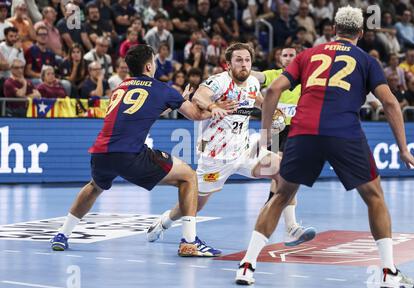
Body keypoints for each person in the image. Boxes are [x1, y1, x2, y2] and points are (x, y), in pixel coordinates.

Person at [235, 6, 414, 288]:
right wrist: (404, 149)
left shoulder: (307, 55)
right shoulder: (366, 60)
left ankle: (247, 266)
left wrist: (265, 137)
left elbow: (272, 90)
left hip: (304, 131)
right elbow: (390, 103)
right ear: (360, 33)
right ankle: (388, 271)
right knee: (375, 197)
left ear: (334, 29)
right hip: (344, 133)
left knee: (281, 195)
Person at [50, 44, 236, 252]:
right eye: (154, 62)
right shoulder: (162, 88)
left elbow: (145, 110)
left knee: (94, 187)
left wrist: (176, 101)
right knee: (189, 177)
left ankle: (62, 234)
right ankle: (189, 242)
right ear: (148, 66)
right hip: (130, 155)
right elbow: (195, 115)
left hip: (101, 153)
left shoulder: (120, 87)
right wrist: (217, 109)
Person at [146, 43, 310, 257]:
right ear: (229, 64)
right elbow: (199, 97)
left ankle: (291, 229)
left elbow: (259, 100)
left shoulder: (251, 82)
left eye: (247, 60)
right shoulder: (219, 81)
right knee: (194, 205)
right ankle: (164, 222)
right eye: (239, 60)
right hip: (216, 157)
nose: (244, 65)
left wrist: (273, 111)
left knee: (286, 171)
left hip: (244, 152)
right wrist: (213, 107)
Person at [251, 45, 316, 245]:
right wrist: (241, 70)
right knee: (283, 173)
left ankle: (277, 213)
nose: (287, 58)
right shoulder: (276, 75)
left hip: (297, 130)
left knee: (288, 176)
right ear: (280, 59)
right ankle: (287, 223)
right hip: (277, 130)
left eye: (291, 55)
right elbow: (259, 77)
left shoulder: (306, 78)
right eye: (284, 55)